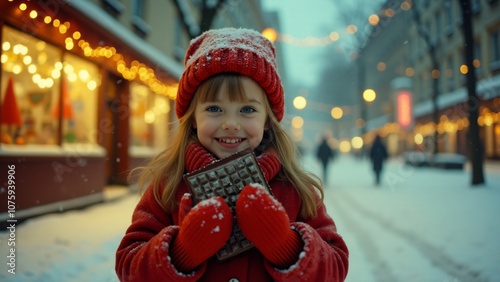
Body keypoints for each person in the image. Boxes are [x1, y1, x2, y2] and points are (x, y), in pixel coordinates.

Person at [115, 28, 349, 281]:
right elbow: (130, 267)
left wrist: (286, 247)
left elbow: (335, 267)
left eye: (247, 109)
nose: (230, 123)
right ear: (193, 118)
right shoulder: (168, 187)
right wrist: (182, 252)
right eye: (214, 108)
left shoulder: (296, 189)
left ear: (267, 121)